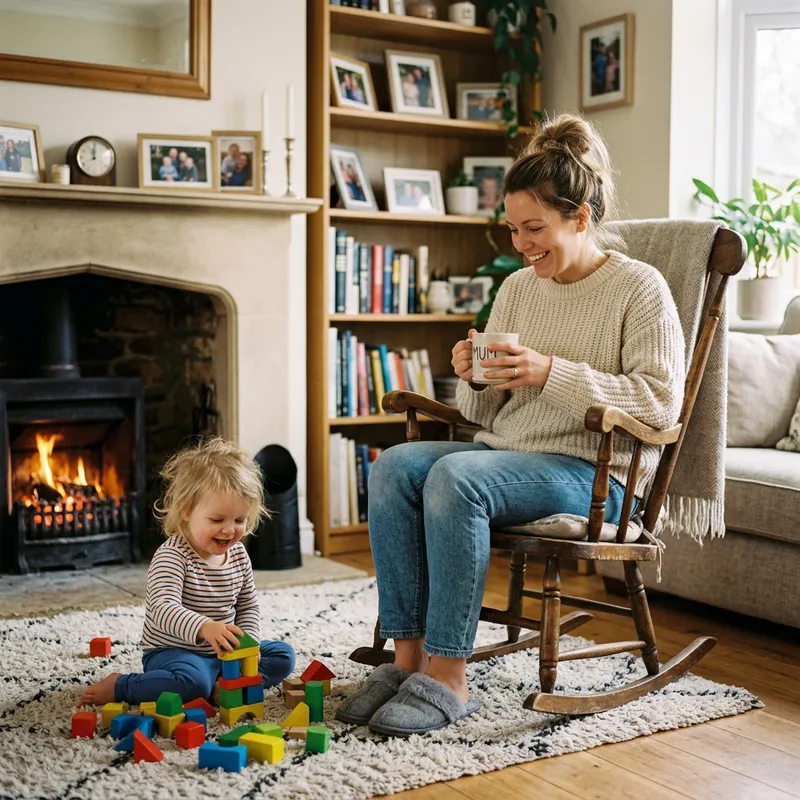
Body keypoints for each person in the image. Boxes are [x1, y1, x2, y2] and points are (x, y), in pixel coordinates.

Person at [335, 113, 685, 737]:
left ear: (579, 217)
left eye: (535, 228)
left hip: (594, 473)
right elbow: (481, 420)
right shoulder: (519, 288)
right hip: (510, 457)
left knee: (457, 479)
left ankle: (448, 675)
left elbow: (659, 404)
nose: (522, 244)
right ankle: (406, 660)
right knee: (394, 467)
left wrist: (550, 372)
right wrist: (474, 377)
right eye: (514, 229)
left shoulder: (640, 288)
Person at [76, 437, 295, 707]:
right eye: (217, 519)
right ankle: (121, 685)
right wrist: (204, 627)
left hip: (224, 654)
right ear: (186, 510)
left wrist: (248, 644)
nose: (229, 529)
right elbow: (163, 609)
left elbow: (247, 605)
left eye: (239, 520)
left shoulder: (239, 555)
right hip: (176, 652)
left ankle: (224, 686)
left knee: (284, 656)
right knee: (193, 683)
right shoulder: (173, 556)